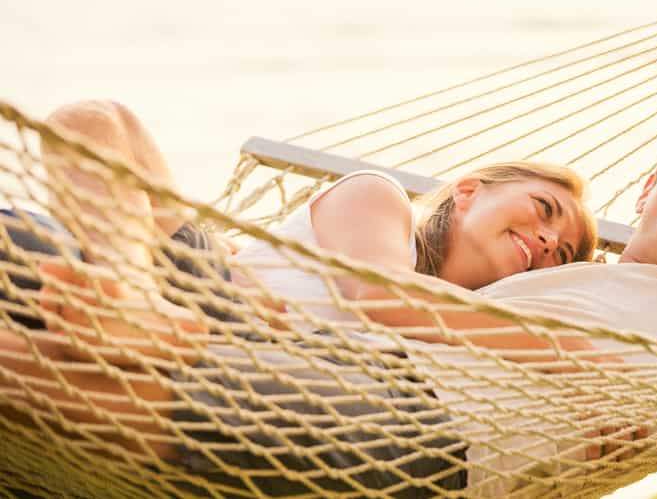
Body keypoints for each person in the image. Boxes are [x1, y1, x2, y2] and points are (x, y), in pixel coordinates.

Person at [0, 97, 657, 496]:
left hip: (417, 434)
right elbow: (402, 295)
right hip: (338, 366)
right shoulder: (576, 276)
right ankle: (125, 312)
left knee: (38, 381)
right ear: (647, 184)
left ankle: (129, 321)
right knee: (33, 215)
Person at [0, 99, 598, 498]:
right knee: (105, 121)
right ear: (467, 193)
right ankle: (127, 298)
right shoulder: (379, 198)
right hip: (202, 297)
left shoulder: (457, 343)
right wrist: (580, 359)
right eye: (545, 210)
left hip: (232, 357)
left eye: (565, 253)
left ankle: (126, 303)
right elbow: (381, 296)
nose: (549, 240)